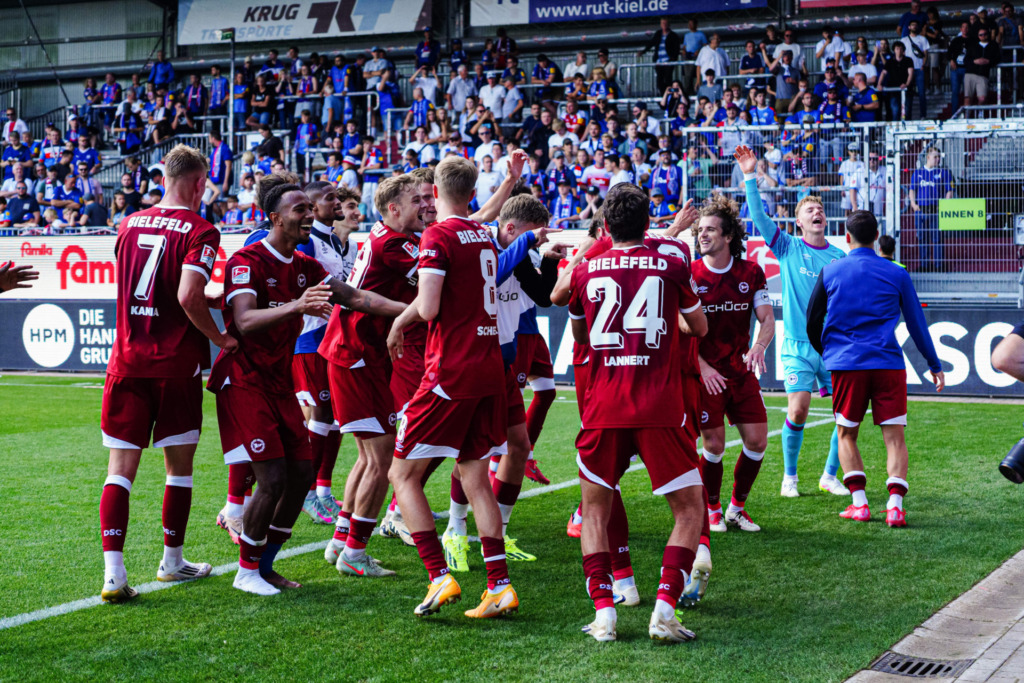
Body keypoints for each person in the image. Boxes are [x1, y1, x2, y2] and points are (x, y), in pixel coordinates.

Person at [210, 175, 405, 596]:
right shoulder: (246, 261)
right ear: (275, 219)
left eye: (308, 208)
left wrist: (416, 311)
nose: (310, 215)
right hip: (243, 381)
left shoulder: (305, 266)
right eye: (300, 209)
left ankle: (264, 564)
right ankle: (246, 571)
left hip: (278, 382)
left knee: (301, 475)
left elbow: (356, 298)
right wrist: (298, 305)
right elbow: (243, 321)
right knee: (274, 478)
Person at [565, 183, 707, 643]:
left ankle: (605, 614)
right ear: (648, 224)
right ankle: (664, 609)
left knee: (594, 510)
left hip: (603, 404)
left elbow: (582, 337)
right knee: (689, 510)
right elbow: (699, 326)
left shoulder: (585, 268)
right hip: (660, 404)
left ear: (605, 226)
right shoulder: (671, 263)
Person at [97, 145, 237, 604]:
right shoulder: (201, 229)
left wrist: (205, 298)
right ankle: (172, 561)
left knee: (120, 471)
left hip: (125, 361)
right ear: (199, 183)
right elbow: (185, 294)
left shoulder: (129, 222)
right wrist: (221, 339)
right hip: (174, 364)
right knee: (178, 467)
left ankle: (113, 575)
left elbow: (150, 285)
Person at [383, 157, 522, 619]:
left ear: (436, 190)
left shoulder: (437, 236)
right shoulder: (480, 234)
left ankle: (438, 576)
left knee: (401, 475)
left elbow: (428, 307)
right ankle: (499, 586)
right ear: (471, 190)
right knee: (475, 475)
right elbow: (478, 221)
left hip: (451, 372)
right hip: (487, 368)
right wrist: (509, 182)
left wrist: (402, 319)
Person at [807, 211, 944, 527]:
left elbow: (813, 321)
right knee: (894, 437)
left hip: (847, 365)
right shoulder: (897, 273)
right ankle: (895, 507)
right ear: (876, 236)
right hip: (887, 364)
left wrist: (828, 352)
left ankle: (860, 504)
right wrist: (934, 364)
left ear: (847, 235)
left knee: (846, 434)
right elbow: (916, 324)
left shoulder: (830, 272)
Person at [734, 145, 849, 498]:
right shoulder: (787, 247)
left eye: (820, 209)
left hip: (831, 348)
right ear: (799, 221)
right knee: (798, 411)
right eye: (809, 210)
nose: (817, 212)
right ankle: (790, 477)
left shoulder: (839, 256)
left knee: (845, 416)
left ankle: (830, 475)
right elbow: (758, 215)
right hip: (797, 347)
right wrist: (750, 176)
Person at [690, 193, 774, 534]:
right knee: (714, 445)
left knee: (757, 441)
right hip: (705, 374)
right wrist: (703, 367)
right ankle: (711, 508)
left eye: (710, 230)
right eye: (700, 231)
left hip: (740, 371)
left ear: (728, 237)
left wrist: (759, 347)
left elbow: (766, 318)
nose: (703, 236)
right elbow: (680, 333)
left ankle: (736, 509)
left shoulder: (751, 272)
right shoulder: (690, 275)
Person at [908, 146, 954, 272]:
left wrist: (945, 204)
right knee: (922, 238)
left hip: (936, 210)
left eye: (939, 157)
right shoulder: (918, 173)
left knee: (937, 238)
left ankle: (938, 265)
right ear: (928, 157)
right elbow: (912, 189)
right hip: (921, 209)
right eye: (935, 157)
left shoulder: (943, 173)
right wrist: (913, 204)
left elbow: (949, 191)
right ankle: (925, 265)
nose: (938, 159)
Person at [638, 17, 681, 95]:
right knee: (659, 82)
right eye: (662, 23)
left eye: (665, 23)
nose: (664, 25)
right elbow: (651, 43)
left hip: (668, 61)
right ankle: (663, 96)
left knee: (668, 80)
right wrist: (643, 51)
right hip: (659, 61)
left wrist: (673, 58)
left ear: (669, 25)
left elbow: (676, 48)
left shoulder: (673, 35)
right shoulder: (658, 34)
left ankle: (670, 96)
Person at [964, 25, 1002, 114]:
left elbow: (998, 58)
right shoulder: (973, 46)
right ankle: (966, 119)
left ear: (988, 35)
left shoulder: (993, 45)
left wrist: (989, 61)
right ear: (978, 36)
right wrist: (974, 61)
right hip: (970, 73)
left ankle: (978, 114)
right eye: (981, 35)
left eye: (985, 34)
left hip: (983, 74)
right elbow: (966, 60)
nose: (983, 36)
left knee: (982, 98)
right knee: (967, 98)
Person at [901, 21, 930, 118]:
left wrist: (923, 65)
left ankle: (923, 115)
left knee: (922, 93)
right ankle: (908, 116)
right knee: (908, 94)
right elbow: (902, 55)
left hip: (919, 69)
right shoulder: (904, 40)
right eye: (912, 25)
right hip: (908, 71)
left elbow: (926, 53)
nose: (914, 27)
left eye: (916, 25)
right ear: (909, 27)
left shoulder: (922, 39)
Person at [879, 41, 915, 120]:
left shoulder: (908, 60)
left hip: (906, 91)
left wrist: (906, 84)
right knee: (895, 111)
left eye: (901, 49)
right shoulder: (890, 62)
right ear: (894, 50)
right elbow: (883, 73)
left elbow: (911, 73)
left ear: (903, 50)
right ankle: (896, 129)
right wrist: (879, 84)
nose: (899, 51)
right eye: (897, 49)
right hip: (893, 90)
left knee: (907, 112)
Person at [682, 19, 709, 93]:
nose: (690, 26)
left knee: (698, 75)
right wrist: (683, 51)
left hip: (697, 57)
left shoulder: (701, 34)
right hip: (688, 57)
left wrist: (699, 51)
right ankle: (688, 92)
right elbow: (684, 45)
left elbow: (705, 45)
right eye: (689, 24)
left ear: (696, 25)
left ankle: (699, 91)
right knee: (688, 76)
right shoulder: (686, 35)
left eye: (691, 24)